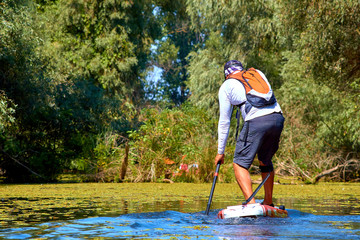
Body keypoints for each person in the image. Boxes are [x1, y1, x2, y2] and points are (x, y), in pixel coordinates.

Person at [214, 60, 285, 206]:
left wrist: (220, 152)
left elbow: (224, 122)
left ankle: (251, 205)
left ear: (227, 75)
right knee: (265, 160)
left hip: (256, 121)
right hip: (277, 118)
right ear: (241, 69)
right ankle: (268, 202)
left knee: (239, 164)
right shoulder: (257, 73)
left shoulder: (226, 86)